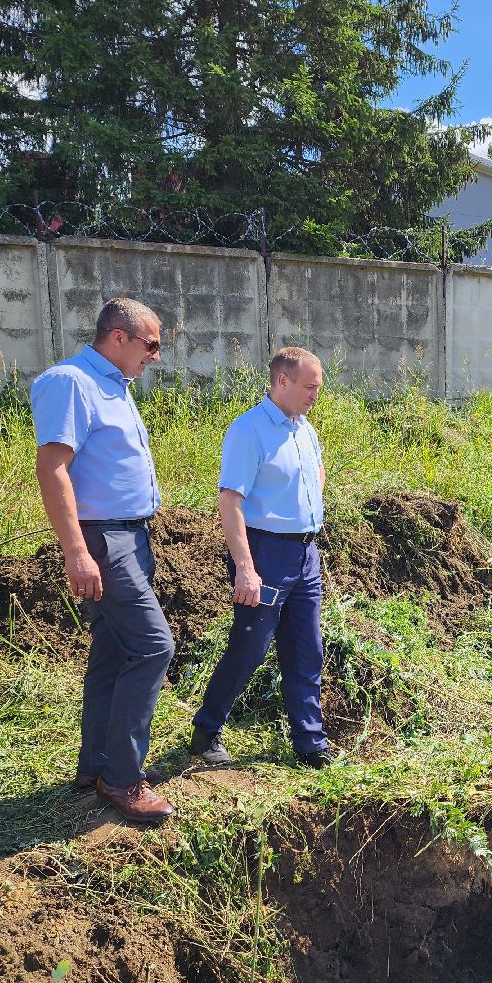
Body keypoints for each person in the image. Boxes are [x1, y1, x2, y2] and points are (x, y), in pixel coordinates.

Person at [31, 297, 176, 823]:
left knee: (113, 654)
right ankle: (122, 779)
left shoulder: (113, 384)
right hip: (104, 540)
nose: (156, 356)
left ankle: (97, 764)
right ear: (118, 337)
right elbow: (53, 470)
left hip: (130, 536)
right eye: (151, 344)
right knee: (154, 647)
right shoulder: (71, 382)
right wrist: (76, 552)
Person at [190, 347, 334, 770]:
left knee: (307, 650)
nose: (314, 396)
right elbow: (229, 501)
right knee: (250, 648)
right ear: (282, 381)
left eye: (318, 388)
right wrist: (246, 568)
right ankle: (207, 730)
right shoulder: (248, 431)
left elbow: (317, 472)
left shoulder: (304, 429)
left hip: (306, 553)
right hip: (266, 552)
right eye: (309, 387)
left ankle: (310, 743)